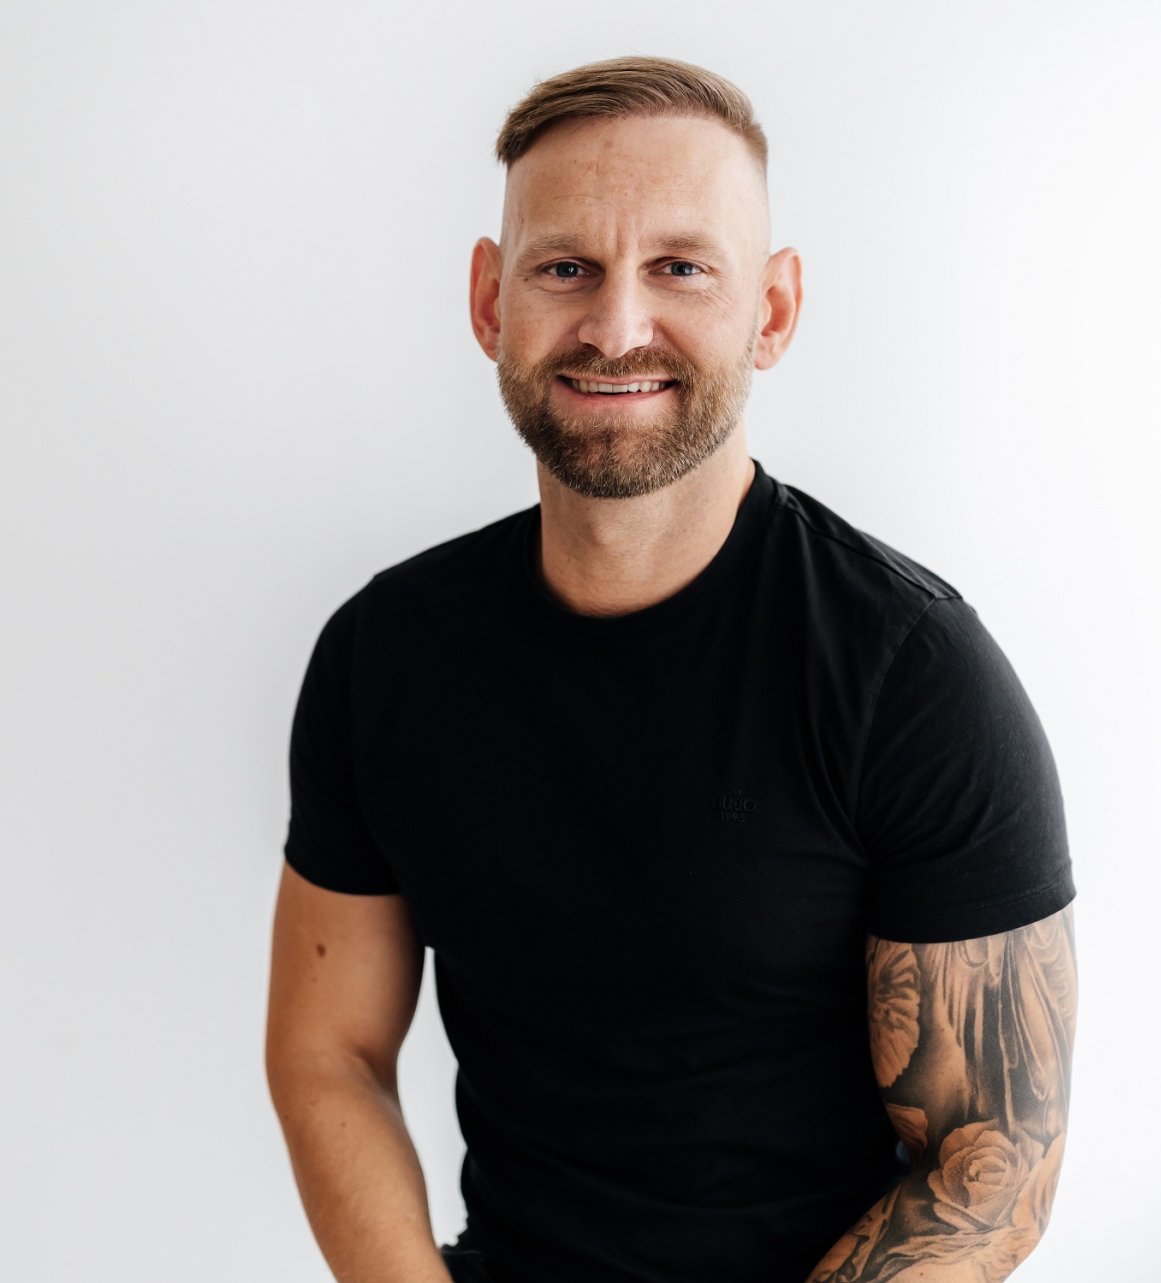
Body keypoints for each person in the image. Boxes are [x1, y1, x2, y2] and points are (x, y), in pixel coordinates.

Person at [264, 56, 1077, 1283]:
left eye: (682, 267)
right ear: (489, 301)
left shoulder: (909, 675)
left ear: (773, 311)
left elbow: (993, 1159)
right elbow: (330, 1050)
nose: (616, 326)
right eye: (565, 267)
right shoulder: (386, 655)